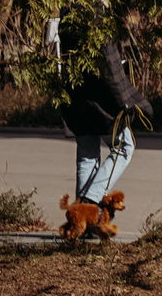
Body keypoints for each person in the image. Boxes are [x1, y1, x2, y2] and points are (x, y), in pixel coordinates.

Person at [60, 24, 148, 238]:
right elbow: (110, 68)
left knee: (87, 154)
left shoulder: (68, 15)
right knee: (124, 147)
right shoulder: (99, 18)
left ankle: (82, 219)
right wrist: (127, 100)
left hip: (75, 96)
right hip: (103, 101)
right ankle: (92, 203)